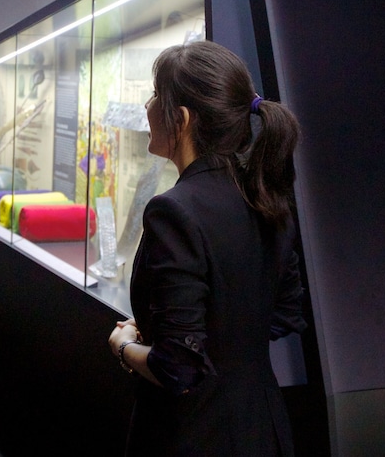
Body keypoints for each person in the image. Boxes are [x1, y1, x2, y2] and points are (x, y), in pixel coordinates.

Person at [107, 40, 308, 456]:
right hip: (263, 428)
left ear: (181, 119)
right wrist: (193, 334)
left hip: (194, 435)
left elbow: (177, 370)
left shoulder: (173, 212)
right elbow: (284, 314)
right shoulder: (269, 201)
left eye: (155, 94)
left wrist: (123, 346)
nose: (147, 105)